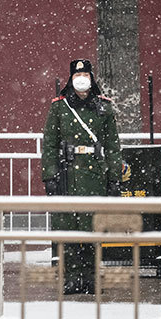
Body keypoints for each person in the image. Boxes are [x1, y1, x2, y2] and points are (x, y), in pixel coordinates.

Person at [42, 59, 122, 294]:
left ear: (91, 77)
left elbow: (113, 145)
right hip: (67, 173)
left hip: (94, 174)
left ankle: (91, 278)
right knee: (67, 230)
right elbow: (49, 144)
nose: (81, 79)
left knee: (91, 228)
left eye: (85, 74)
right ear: (70, 78)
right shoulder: (59, 106)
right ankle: (71, 278)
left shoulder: (103, 107)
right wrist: (50, 175)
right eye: (77, 75)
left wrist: (114, 177)